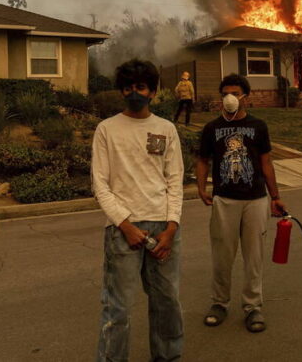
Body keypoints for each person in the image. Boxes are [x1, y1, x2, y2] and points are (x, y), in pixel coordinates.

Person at [92, 58, 184, 362]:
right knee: (117, 308)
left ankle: (168, 356)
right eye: (129, 87)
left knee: (167, 303)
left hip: (164, 229)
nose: (135, 93)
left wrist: (172, 228)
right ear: (121, 91)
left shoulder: (166, 129)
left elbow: (175, 180)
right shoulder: (106, 130)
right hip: (122, 232)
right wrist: (125, 225)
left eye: (141, 87)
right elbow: (100, 185)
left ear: (153, 92)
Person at [197, 73, 286, 334]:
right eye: (225, 93)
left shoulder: (258, 126)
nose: (230, 98)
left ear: (245, 96)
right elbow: (203, 160)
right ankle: (219, 303)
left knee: (254, 257)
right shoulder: (212, 128)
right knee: (222, 256)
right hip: (224, 200)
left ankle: (252, 306)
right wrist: (202, 188)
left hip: (255, 200)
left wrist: (276, 196)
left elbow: (266, 162)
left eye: (235, 93)